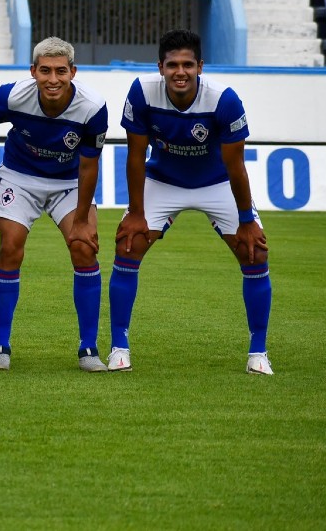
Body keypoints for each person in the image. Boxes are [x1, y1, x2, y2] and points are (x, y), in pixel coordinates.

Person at [110, 28, 273, 375]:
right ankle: (119, 347)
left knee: (254, 252)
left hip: (217, 183)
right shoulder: (141, 94)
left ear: (200, 66)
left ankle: (258, 352)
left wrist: (246, 220)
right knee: (128, 244)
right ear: (160, 67)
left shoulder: (224, 100)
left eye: (187, 64)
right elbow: (135, 157)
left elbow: (236, 167)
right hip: (164, 181)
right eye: (172, 65)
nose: (180, 72)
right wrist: (136, 213)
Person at [0, 37, 109, 373]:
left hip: (70, 182)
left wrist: (81, 220)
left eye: (60, 71)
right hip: (21, 178)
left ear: (73, 72)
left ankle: (88, 348)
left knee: (83, 248)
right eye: (45, 70)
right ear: (33, 71)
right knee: (10, 247)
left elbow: (90, 165)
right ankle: (0, 346)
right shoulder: (15, 94)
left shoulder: (93, 107)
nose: (52, 78)